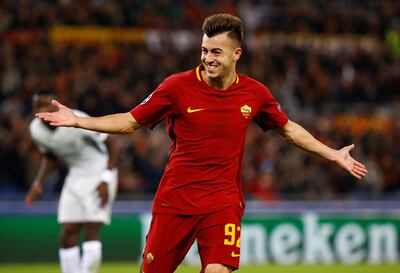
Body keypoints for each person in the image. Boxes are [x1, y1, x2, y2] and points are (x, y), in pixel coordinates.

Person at [35, 13, 367, 273]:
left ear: (237, 54)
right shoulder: (176, 88)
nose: (207, 58)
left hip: (223, 201)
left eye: (216, 52)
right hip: (175, 199)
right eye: (204, 50)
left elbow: (289, 130)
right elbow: (129, 121)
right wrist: (80, 121)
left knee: (217, 269)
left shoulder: (255, 93)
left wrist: (332, 154)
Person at [25, 88, 120, 273]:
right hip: (75, 175)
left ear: (56, 104)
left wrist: (106, 180)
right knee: (67, 231)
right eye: (38, 106)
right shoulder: (36, 130)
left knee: (91, 229)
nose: (43, 109)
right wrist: (38, 182)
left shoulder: (76, 118)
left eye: (47, 104)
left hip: (98, 172)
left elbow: (113, 146)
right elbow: (50, 157)